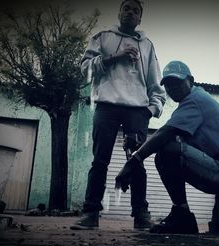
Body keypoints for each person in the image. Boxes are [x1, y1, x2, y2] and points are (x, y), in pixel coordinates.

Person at [115, 61, 219, 234]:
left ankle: (182, 215)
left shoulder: (196, 100)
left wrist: (134, 160)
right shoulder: (190, 104)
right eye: (168, 85)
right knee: (166, 151)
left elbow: (166, 134)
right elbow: (171, 138)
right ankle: (182, 213)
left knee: (167, 151)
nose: (172, 89)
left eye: (177, 83)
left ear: (191, 81)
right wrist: (138, 147)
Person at [71, 0, 166, 230]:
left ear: (140, 19)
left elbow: (156, 85)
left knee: (137, 161)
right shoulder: (103, 37)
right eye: (127, 8)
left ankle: (141, 216)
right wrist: (116, 56)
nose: (130, 13)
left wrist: (150, 111)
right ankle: (91, 214)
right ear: (119, 12)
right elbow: (85, 70)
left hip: (137, 110)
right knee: (100, 160)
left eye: (136, 10)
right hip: (107, 106)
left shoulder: (147, 45)